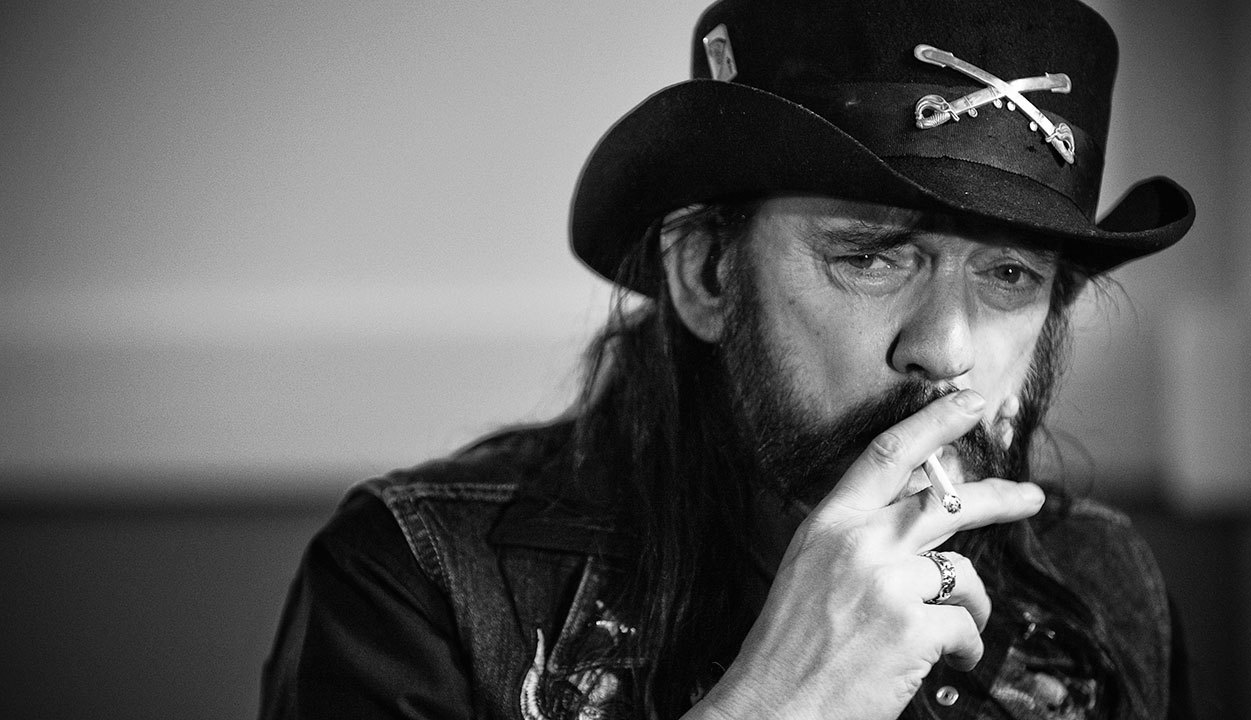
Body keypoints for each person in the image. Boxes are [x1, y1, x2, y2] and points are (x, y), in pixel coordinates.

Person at [260, 0, 1196, 718]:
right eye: (872, 256)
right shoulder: (420, 584)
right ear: (708, 275)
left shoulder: (1109, 590)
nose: (946, 350)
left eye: (1009, 274)